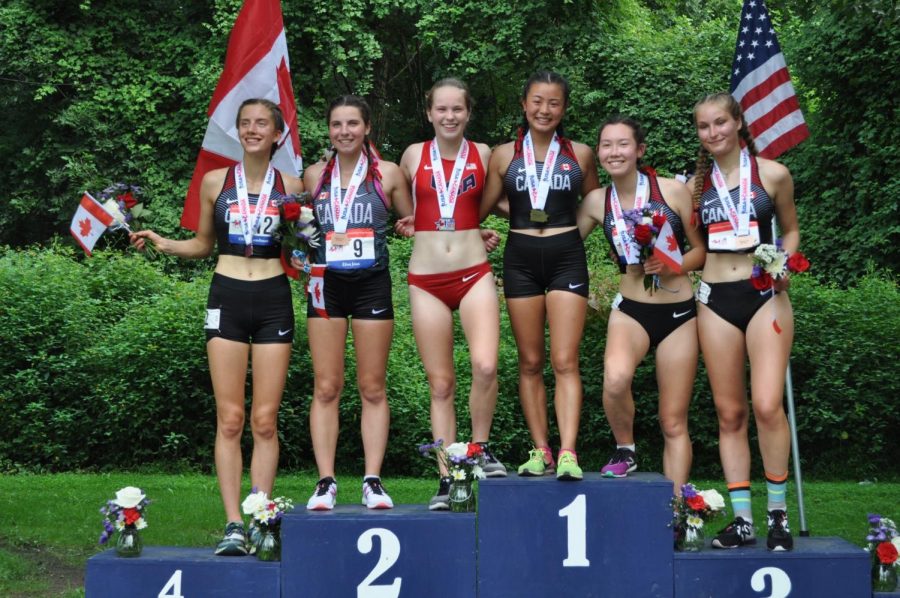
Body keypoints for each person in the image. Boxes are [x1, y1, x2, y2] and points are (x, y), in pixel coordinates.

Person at [131, 99, 303, 555]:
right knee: (230, 418)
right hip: (226, 296)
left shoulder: (293, 185)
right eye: (245, 123)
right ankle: (232, 524)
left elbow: (306, 249)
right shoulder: (214, 182)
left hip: (273, 299)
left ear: (276, 133)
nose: (251, 130)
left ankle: (262, 516)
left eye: (261, 123)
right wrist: (162, 243)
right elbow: (204, 244)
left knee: (264, 420)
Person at [691, 92, 799, 551]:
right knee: (730, 413)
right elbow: (694, 247)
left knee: (768, 405)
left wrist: (786, 263)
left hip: (763, 295)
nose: (713, 132)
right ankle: (741, 521)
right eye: (704, 126)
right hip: (714, 298)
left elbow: (790, 228)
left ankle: (778, 515)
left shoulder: (773, 174)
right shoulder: (695, 186)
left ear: (738, 123)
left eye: (720, 122)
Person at [481, 71, 599, 481]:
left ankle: (568, 452)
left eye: (553, 103)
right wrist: (517, 218)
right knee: (529, 361)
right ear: (524, 103)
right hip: (521, 257)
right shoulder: (502, 155)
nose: (544, 110)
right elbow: (485, 204)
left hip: (567, 256)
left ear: (564, 108)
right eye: (537, 101)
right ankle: (541, 450)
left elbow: (597, 200)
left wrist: (572, 230)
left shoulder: (581, 153)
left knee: (564, 360)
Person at [577, 116, 704, 492]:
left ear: (640, 150)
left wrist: (674, 263)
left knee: (673, 420)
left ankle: (678, 507)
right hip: (631, 308)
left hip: (679, 312)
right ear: (599, 153)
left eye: (623, 144)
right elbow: (560, 241)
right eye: (607, 145)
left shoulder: (672, 191)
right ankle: (625, 449)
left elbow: (703, 251)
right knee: (615, 381)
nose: (614, 152)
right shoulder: (596, 201)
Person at [397, 78, 506, 511]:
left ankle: (478, 449)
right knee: (440, 384)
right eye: (441, 109)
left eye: (457, 109)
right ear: (429, 113)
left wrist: (479, 228)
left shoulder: (484, 155)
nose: (449, 116)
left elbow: (490, 203)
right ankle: (448, 476)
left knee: (485, 365)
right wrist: (409, 221)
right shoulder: (411, 155)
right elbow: (406, 208)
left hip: (473, 271)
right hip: (426, 279)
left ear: (468, 112)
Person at [301, 95, 412, 511]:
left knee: (372, 386)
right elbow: (296, 222)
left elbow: (410, 222)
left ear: (367, 127)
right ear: (328, 130)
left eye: (352, 124)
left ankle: (372, 480)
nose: (344, 132)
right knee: (326, 386)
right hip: (325, 285)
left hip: (371, 284)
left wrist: (411, 228)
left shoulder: (388, 173)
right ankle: (326, 481)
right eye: (336, 125)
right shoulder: (313, 176)